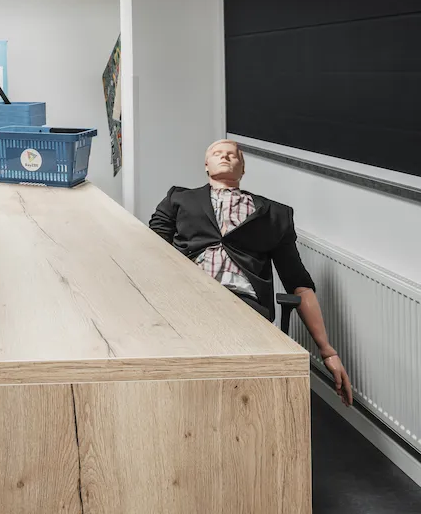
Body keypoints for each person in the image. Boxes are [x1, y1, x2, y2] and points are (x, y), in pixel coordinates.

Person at [150, 140, 353, 406]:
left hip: (244, 306)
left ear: (243, 168)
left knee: (237, 388)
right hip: (189, 296)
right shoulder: (178, 199)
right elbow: (151, 247)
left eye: (232, 155)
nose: (225, 156)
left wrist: (327, 351)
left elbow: (298, 283)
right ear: (206, 166)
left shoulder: (274, 214)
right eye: (217, 153)